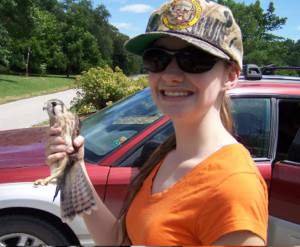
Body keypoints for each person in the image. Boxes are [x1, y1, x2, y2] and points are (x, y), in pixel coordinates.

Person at [46, 0, 268, 245]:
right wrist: (74, 171)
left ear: (231, 75)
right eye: (157, 59)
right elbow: (118, 240)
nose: (171, 75)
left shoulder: (234, 187)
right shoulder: (166, 155)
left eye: (194, 59)